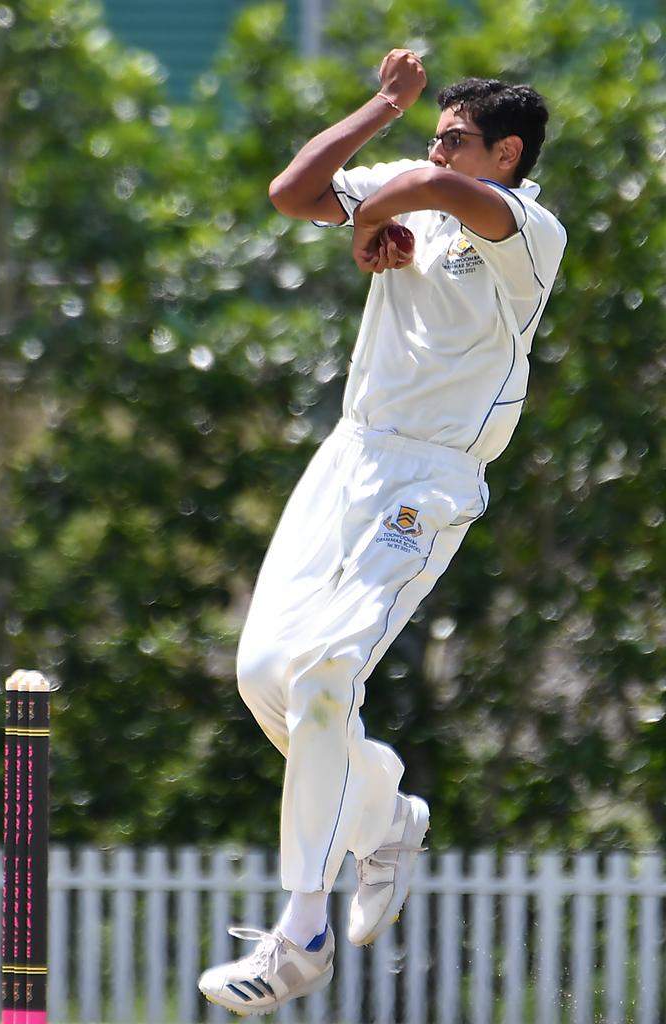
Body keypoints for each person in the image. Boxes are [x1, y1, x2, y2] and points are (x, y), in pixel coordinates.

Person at [198, 49, 567, 1016]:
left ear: (507, 153)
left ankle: (299, 935)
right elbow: (292, 191)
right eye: (434, 130)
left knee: (325, 676)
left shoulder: (526, 231)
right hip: (348, 459)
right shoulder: (419, 198)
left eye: (455, 135)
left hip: (427, 482)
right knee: (266, 673)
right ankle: (383, 810)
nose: (434, 146)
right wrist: (382, 108)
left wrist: (379, 214)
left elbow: (425, 184)